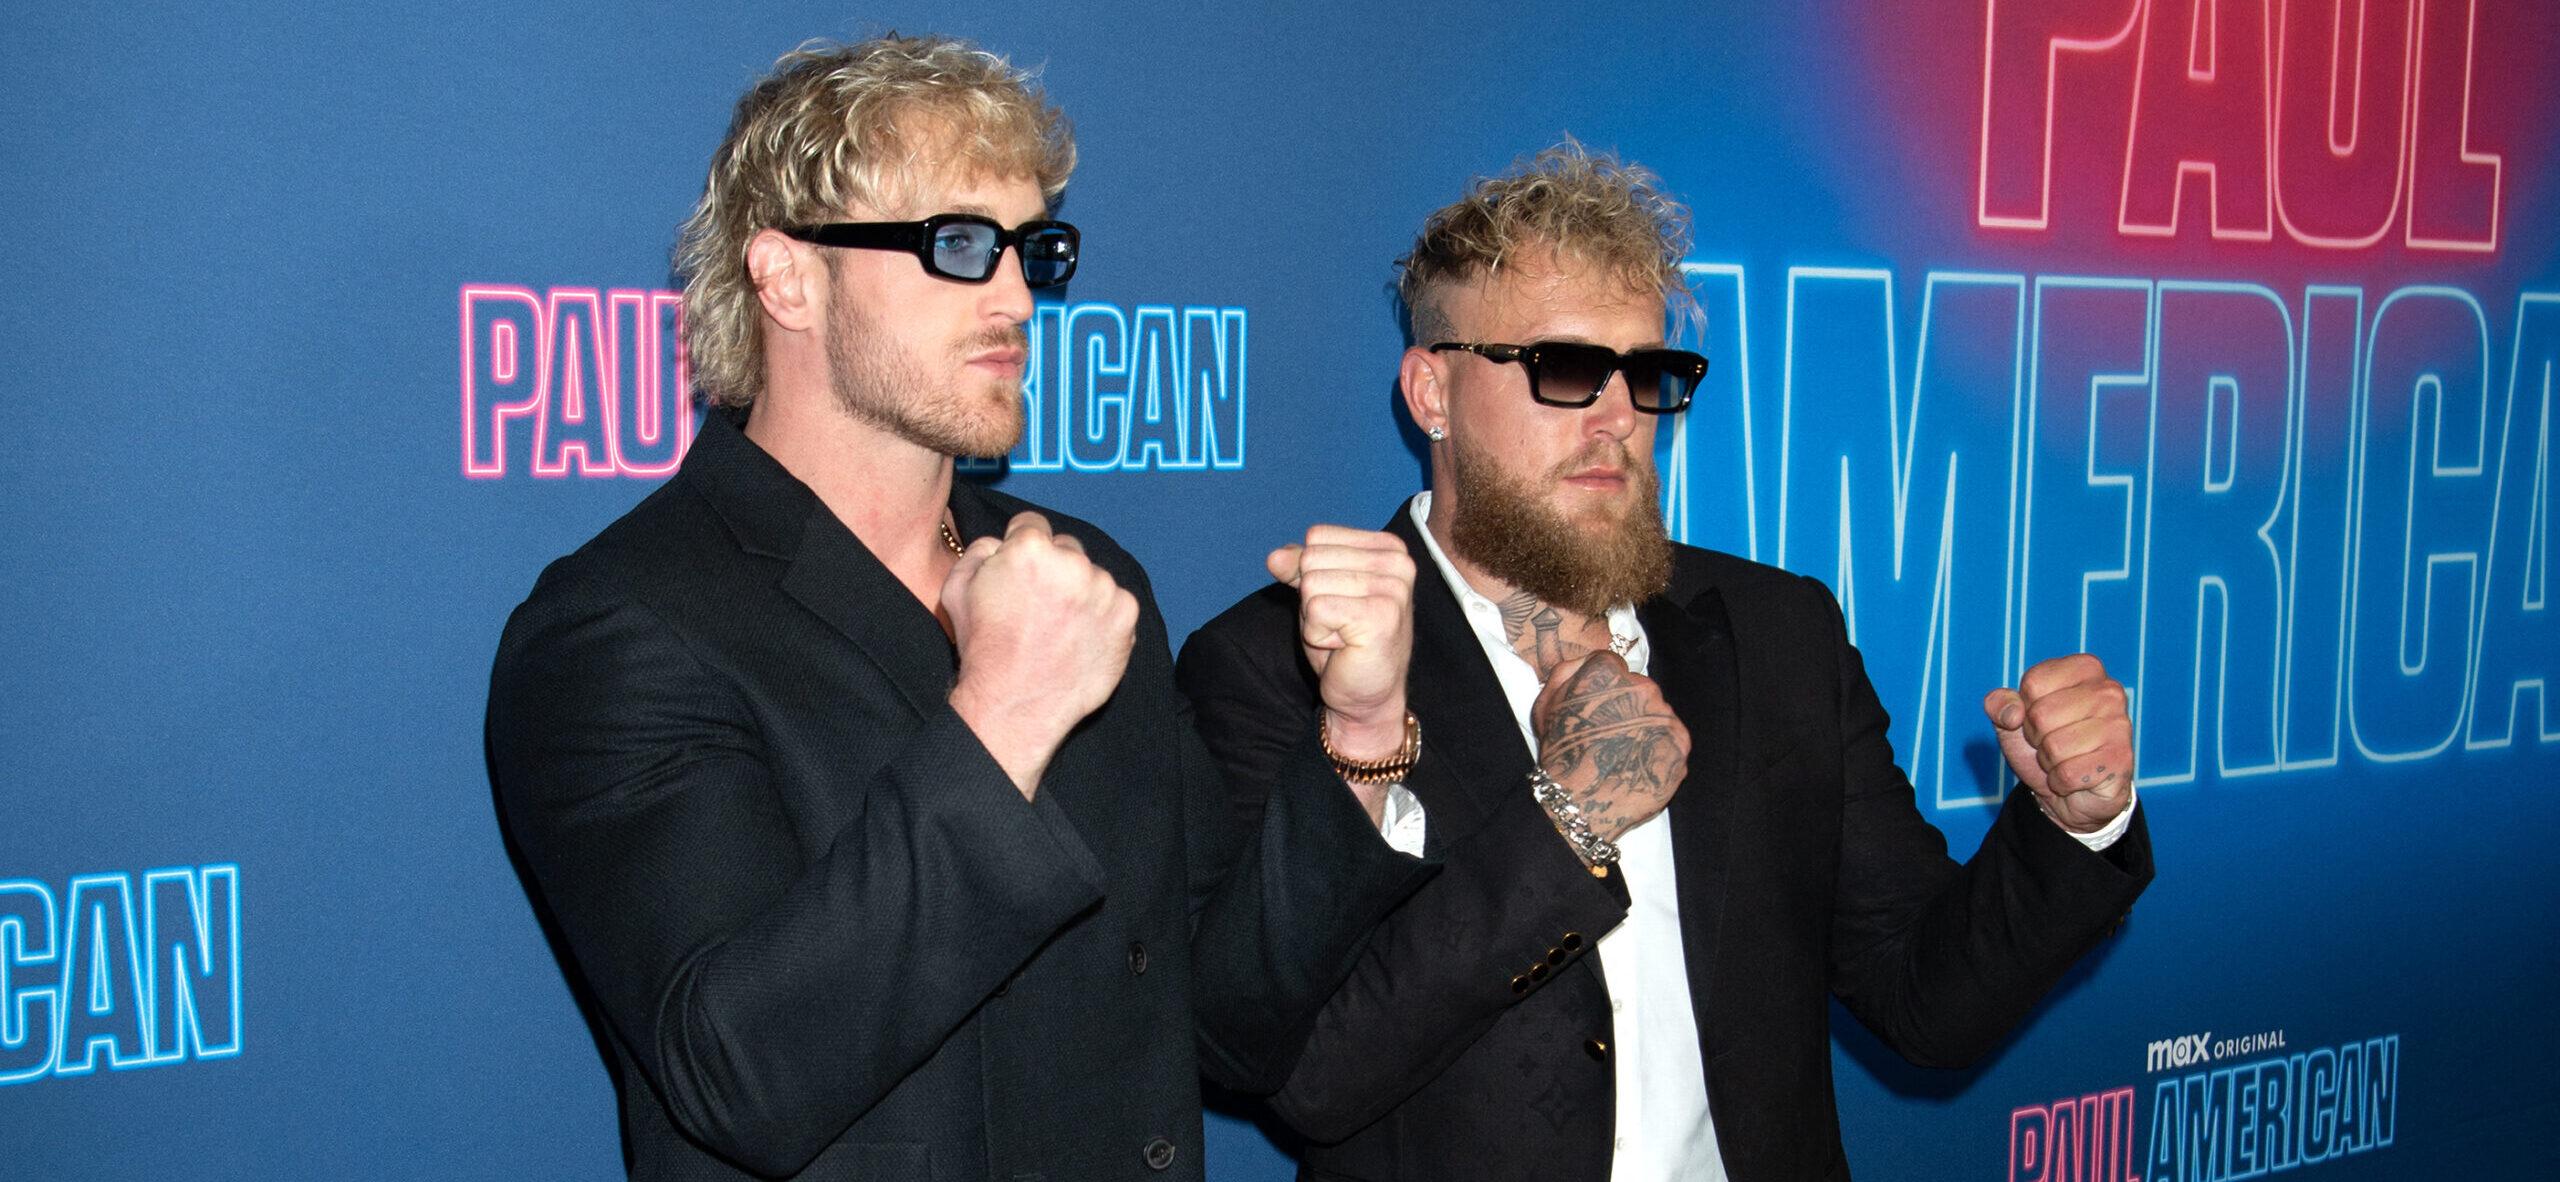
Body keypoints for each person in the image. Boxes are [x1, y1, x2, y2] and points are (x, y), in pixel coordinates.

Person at [485, 36, 1434, 1181]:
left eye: (1032, 248)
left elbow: (1227, 1020)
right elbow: (738, 1077)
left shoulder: (1082, 574)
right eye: (958, 245)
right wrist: (1003, 713)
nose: (1017, 296)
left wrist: (1363, 734)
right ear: (788, 277)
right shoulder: (624, 626)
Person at [1175, 143, 2155, 1181]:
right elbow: (1307, 1075)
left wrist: (2072, 826)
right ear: (1432, 392)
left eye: (1647, 374)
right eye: (1563, 369)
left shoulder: (1777, 632)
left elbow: (1923, 998)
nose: (1617, 419)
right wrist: (1568, 825)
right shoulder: (1274, 665)